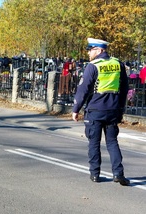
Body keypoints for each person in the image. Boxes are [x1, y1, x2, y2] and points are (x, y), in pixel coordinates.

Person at [72, 38, 130, 186]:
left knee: (94, 142)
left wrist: (75, 109)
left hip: (95, 110)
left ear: (99, 50)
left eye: (91, 50)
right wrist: (121, 108)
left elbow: (83, 88)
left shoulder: (93, 66)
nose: (89, 52)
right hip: (113, 110)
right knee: (112, 142)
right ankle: (118, 173)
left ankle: (95, 174)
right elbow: (124, 89)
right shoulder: (118, 64)